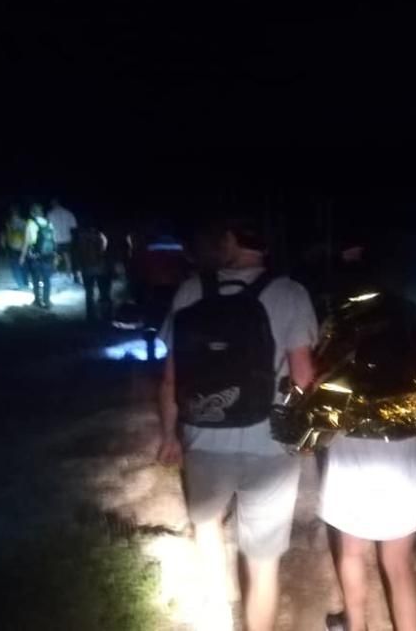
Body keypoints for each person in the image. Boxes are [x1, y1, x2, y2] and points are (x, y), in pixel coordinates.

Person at [156, 216, 317, 631]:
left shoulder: (192, 290)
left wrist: (169, 434)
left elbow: (173, 376)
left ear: (228, 240)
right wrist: (305, 435)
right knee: (263, 564)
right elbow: (303, 376)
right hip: (270, 445)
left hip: (204, 437)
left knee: (208, 531)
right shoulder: (291, 293)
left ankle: (218, 621)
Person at [319, 294, 416, 631]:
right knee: (399, 563)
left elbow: (321, 374)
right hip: (404, 446)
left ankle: (355, 625)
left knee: (352, 551)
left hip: (352, 445)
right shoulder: (413, 312)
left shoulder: (341, 314)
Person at [19, 203, 57, 310]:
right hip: (48, 255)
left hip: (35, 256)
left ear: (32, 213)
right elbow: (54, 240)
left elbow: (26, 241)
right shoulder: (49, 223)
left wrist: (22, 256)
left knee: (35, 279)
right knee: (47, 279)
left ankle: (37, 300)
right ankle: (46, 301)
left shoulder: (31, 223)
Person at [76, 221, 113, 322]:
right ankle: (106, 314)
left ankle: (90, 315)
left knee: (89, 292)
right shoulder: (101, 236)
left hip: (87, 268)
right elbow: (105, 251)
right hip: (101, 267)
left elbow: (79, 253)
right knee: (104, 292)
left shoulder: (81, 237)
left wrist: (79, 268)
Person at [47, 197, 78, 280]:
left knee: (55, 256)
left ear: (53, 204)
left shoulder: (50, 214)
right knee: (67, 256)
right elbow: (74, 226)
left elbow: (48, 227)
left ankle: (54, 272)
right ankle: (69, 273)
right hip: (67, 238)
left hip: (55, 238)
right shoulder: (68, 213)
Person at [0, 204, 28, 290]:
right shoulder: (25, 222)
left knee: (15, 267)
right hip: (23, 247)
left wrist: (3, 245)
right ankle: (25, 283)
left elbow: (3, 235)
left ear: (11, 213)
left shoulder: (8, 223)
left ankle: (20, 285)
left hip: (12, 247)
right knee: (24, 266)